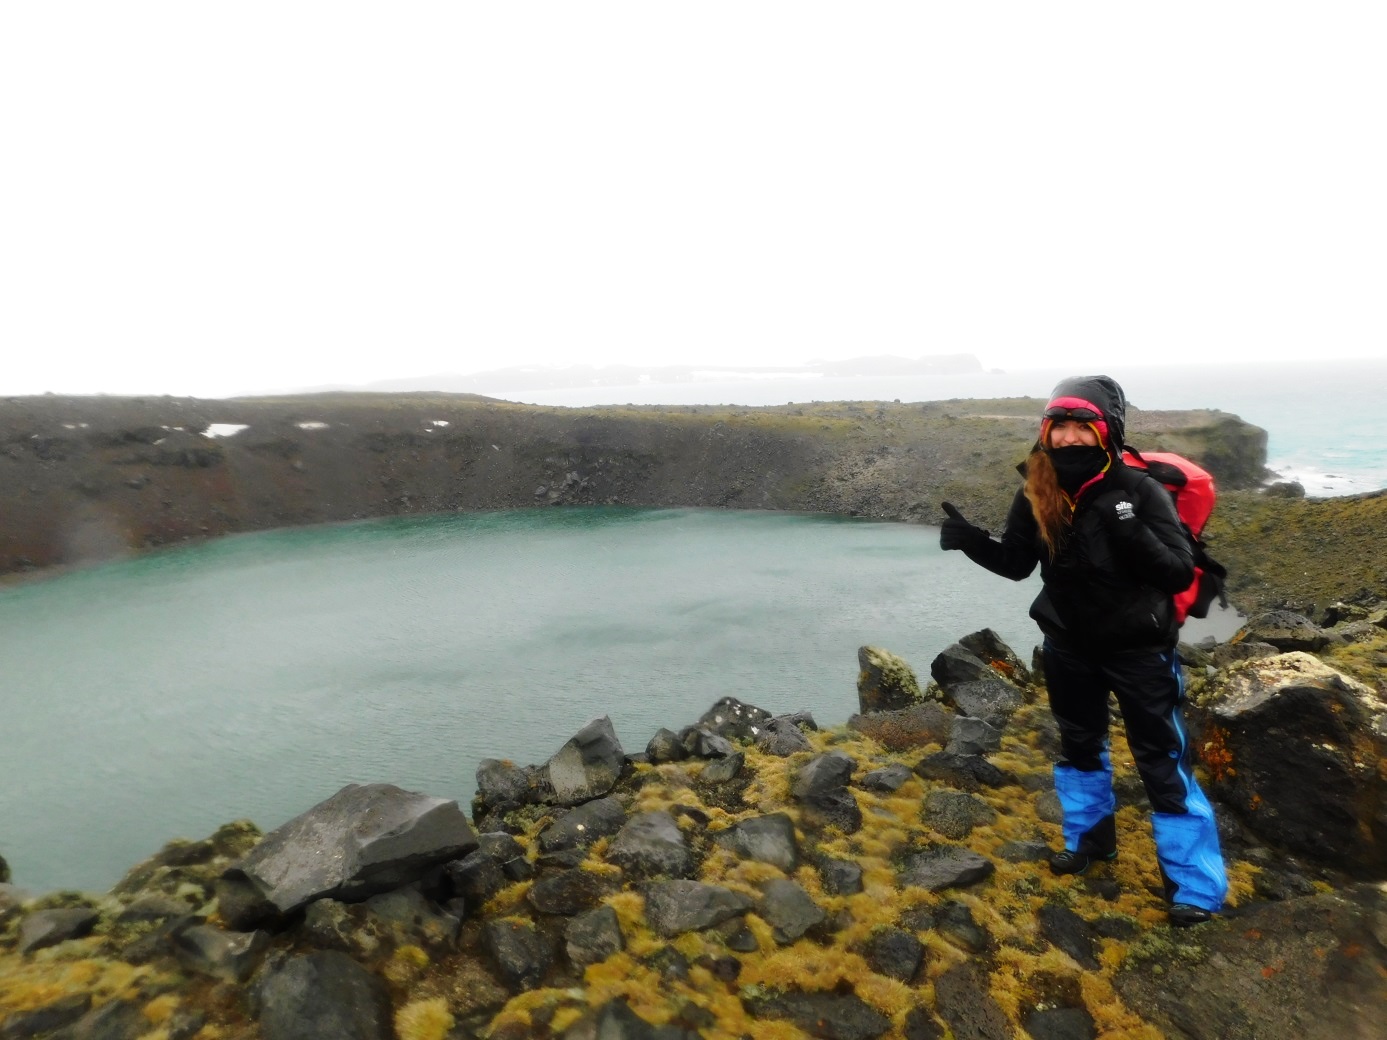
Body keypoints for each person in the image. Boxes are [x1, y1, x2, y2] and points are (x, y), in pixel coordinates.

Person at [938, 374, 1227, 927]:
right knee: (1079, 746)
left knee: (1161, 759)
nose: (1069, 437)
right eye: (1058, 426)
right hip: (1068, 645)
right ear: (1046, 432)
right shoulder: (1039, 490)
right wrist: (972, 542)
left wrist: (1128, 525)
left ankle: (1194, 887)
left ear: (1106, 432)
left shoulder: (1137, 491)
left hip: (1139, 650)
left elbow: (1173, 570)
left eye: (1081, 426)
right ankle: (1091, 844)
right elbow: (1018, 564)